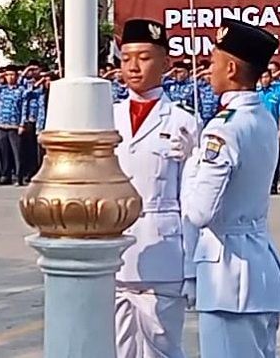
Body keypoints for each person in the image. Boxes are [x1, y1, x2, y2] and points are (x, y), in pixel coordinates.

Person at [182, 19, 280, 358]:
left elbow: (200, 212)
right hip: (259, 264)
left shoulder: (223, 129)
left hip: (227, 275)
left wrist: (190, 166)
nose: (208, 71)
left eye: (212, 63)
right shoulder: (261, 117)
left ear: (231, 68)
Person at [111, 19, 200, 358]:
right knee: (118, 347)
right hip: (114, 251)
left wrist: (192, 267)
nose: (133, 66)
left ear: (165, 63)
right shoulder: (107, 115)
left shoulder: (183, 121)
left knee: (162, 347)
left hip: (162, 251)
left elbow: (190, 200)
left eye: (144, 57)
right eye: (126, 58)